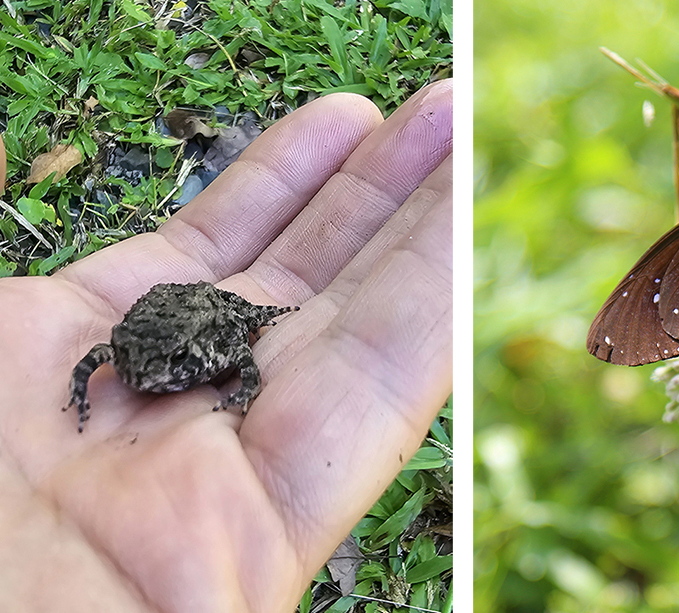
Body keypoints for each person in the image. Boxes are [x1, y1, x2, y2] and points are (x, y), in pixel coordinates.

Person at [0, 80, 453, 611]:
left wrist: (242, 393)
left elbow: (241, 356)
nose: (135, 374)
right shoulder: (123, 357)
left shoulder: (204, 350)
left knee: (256, 319)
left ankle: (260, 311)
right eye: (124, 356)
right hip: (165, 311)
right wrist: (79, 394)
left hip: (205, 314)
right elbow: (96, 358)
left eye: (157, 367)